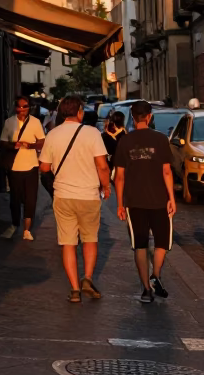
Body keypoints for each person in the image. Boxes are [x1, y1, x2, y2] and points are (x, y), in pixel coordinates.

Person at [39, 93, 112, 303]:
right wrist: (105, 186)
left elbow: (44, 167)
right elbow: (102, 166)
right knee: (90, 239)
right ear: (79, 112)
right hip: (88, 195)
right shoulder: (92, 133)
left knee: (68, 243)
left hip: (63, 196)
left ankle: (74, 290)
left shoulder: (52, 135)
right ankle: (87, 278)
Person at [113, 98, 177, 302]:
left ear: (132, 117)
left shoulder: (125, 141)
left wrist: (120, 204)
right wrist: (172, 198)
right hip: (159, 198)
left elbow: (119, 176)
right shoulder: (160, 139)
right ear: (150, 116)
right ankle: (155, 275)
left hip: (134, 201)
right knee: (161, 243)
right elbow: (167, 171)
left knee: (139, 245)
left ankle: (146, 291)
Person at [0, 95, 45, 240]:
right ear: (15, 107)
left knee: (31, 199)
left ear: (29, 107)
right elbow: (2, 142)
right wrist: (14, 145)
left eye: (25, 106)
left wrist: (30, 145)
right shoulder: (9, 122)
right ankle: (14, 224)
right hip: (14, 166)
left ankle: (27, 229)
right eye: (19, 106)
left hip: (31, 166)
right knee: (15, 198)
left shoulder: (35, 122)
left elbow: (42, 142)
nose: (22, 109)